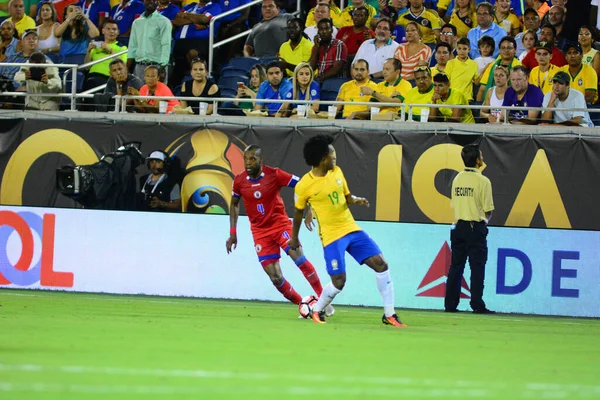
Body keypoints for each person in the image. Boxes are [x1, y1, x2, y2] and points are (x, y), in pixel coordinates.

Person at [288, 134, 406, 327]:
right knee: (339, 281)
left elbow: (347, 196)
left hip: (351, 228)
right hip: (332, 236)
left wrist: (356, 200)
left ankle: (389, 314)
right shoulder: (304, 186)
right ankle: (317, 310)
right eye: (332, 155)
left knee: (381, 264)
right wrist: (294, 238)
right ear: (322, 159)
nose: (335, 159)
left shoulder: (337, 172)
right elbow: (298, 211)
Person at [226, 145, 330, 312]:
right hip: (260, 232)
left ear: (261, 160)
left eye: (252, 159)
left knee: (299, 259)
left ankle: (324, 302)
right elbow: (234, 204)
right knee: (275, 277)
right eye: (245, 159)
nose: (248, 163)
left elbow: (302, 185)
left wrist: (309, 208)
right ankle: (303, 306)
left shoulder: (274, 174)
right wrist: (233, 233)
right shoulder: (239, 180)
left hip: (280, 225)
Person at [444, 143, 495, 314]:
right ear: (478, 160)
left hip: (459, 226)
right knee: (477, 266)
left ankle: (450, 304)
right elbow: (488, 209)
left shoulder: (457, 178)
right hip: (475, 226)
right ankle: (477, 304)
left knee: (456, 266)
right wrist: (484, 222)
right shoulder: (484, 181)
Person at [172, 0, 221, 85]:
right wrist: (196, 20)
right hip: (180, 41)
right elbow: (176, 20)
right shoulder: (190, 6)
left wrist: (186, 15)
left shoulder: (214, 6)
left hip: (200, 41)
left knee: (193, 53)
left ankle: (197, 80)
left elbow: (204, 19)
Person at [127, 0, 172, 83]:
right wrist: (127, 67)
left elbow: (166, 45)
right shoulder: (136, 22)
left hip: (157, 67)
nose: (150, 2)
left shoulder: (164, 21)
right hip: (139, 67)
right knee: (138, 94)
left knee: (156, 95)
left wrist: (162, 68)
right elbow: (132, 46)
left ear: (158, 2)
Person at [83, 18, 127, 90]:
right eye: (108, 29)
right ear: (103, 31)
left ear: (118, 32)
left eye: (114, 29)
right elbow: (87, 67)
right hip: (91, 76)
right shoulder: (96, 46)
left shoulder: (122, 48)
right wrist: (88, 51)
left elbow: (122, 66)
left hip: (107, 78)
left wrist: (110, 50)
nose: (111, 31)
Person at [476, 36, 521, 102]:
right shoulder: (491, 66)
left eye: (509, 48)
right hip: (490, 106)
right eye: (503, 48)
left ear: (515, 50)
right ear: (499, 50)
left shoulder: (520, 68)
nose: (506, 50)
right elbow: (482, 89)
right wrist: (478, 107)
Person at [309, 18, 347, 82]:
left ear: (331, 30)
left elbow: (335, 70)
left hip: (335, 81)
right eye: (321, 29)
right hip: (320, 81)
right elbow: (311, 67)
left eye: (327, 29)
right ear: (318, 32)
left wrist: (319, 79)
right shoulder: (317, 46)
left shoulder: (339, 45)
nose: (324, 32)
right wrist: (316, 47)